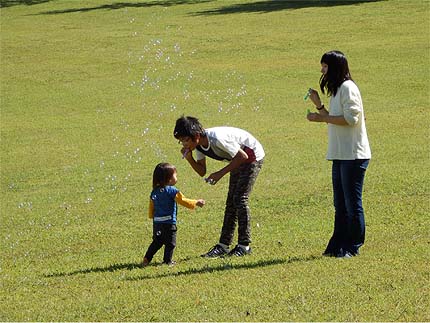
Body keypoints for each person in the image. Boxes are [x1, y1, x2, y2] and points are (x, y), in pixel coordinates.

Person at [306, 50, 371, 258]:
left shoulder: (348, 88)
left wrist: (320, 118)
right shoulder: (337, 90)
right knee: (340, 204)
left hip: (354, 155)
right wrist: (318, 105)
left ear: (334, 68)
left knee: (352, 204)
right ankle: (338, 245)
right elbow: (334, 117)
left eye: (325, 66)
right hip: (341, 154)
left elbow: (351, 119)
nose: (322, 70)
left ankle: (353, 246)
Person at [173, 116, 265, 258]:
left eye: (185, 140)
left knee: (240, 199)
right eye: (181, 141)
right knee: (231, 203)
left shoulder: (217, 139)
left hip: (252, 156)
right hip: (237, 158)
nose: (183, 144)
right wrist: (189, 158)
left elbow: (243, 156)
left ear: (196, 135)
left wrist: (219, 174)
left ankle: (244, 246)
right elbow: (201, 171)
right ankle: (223, 246)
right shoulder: (198, 146)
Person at [142, 162, 205, 266]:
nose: (177, 177)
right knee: (170, 243)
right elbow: (183, 201)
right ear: (169, 179)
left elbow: (151, 207)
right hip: (169, 223)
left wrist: (151, 216)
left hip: (157, 223)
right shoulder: (172, 191)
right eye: (175, 175)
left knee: (157, 242)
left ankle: (147, 258)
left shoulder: (154, 192)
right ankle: (167, 261)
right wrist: (196, 202)